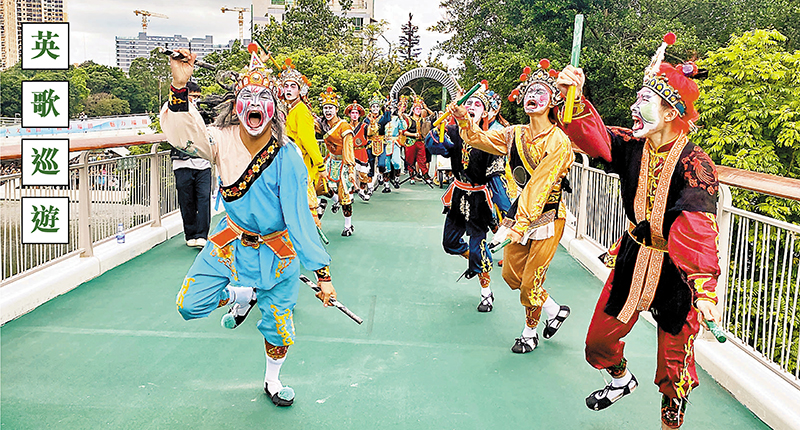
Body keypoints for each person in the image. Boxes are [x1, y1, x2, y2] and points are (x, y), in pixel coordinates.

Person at [555, 33, 721, 429]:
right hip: (633, 257)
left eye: (644, 99)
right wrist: (572, 95)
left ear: (670, 112)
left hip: (677, 272)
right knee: (598, 341)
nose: (634, 105)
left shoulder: (695, 164)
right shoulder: (632, 145)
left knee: (674, 366)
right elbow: (593, 135)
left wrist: (704, 287)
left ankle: (670, 423)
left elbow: (696, 226)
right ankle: (620, 378)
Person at [160, 48, 337, 407]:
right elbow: (186, 134)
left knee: (279, 328)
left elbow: (299, 217)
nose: (255, 104)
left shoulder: (287, 155)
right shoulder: (220, 139)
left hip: (278, 253)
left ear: (275, 107)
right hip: (230, 242)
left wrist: (323, 275)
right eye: (247, 96)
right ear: (236, 104)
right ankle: (241, 295)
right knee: (189, 304)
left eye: (263, 97)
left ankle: (273, 380)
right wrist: (179, 86)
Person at [447, 60, 573, 354]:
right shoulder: (514, 133)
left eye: (541, 92)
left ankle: (530, 333)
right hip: (520, 216)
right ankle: (555, 309)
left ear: (553, 101)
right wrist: (464, 120)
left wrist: (519, 224)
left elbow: (539, 185)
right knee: (511, 276)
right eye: (530, 91)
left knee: (530, 283)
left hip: (547, 217)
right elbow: (479, 139)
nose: (533, 96)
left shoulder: (559, 141)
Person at [426, 87, 508, 313]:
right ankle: (475, 258)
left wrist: (508, 214)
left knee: (478, 246)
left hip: (479, 198)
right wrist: (438, 131)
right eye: (468, 103)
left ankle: (486, 293)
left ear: (485, 113)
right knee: (450, 243)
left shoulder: (490, 139)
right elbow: (436, 147)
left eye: (477, 105)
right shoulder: (453, 130)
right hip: (458, 194)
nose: (471, 107)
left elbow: (496, 179)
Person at [279, 56, 328, 225]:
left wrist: (320, 165)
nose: (289, 89)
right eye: (286, 86)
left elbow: (309, 141)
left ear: (300, 90)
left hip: (301, 163)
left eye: (293, 86)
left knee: (305, 206)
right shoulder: (292, 109)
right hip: (291, 162)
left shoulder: (301, 111)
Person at [171, 80, 212, 248]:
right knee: (186, 200)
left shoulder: (203, 113)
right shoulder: (175, 112)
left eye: (197, 96)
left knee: (204, 199)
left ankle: (202, 235)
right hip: (182, 162)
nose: (195, 99)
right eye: (192, 96)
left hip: (203, 163)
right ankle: (190, 233)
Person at [316, 87, 357, 236]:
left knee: (345, 196)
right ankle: (335, 200)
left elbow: (348, 149)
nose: (328, 111)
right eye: (325, 108)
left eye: (330, 108)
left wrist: (350, 169)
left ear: (336, 109)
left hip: (344, 162)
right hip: (330, 160)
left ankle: (348, 225)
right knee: (321, 187)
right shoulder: (322, 124)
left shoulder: (344, 126)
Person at [362, 92, 392, 193]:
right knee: (370, 166)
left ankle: (382, 176)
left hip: (381, 143)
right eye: (373, 106)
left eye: (377, 106)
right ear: (370, 108)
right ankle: (370, 188)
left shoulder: (382, 118)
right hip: (370, 144)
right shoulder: (366, 119)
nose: (375, 108)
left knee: (382, 164)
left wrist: (387, 107)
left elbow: (388, 118)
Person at [401, 97, 434, 186]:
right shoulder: (408, 120)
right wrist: (413, 134)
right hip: (411, 142)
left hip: (420, 142)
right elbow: (404, 132)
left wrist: (425, 107)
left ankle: (426, 176)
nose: (418, 110)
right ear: (413, 110)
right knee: (410, 160)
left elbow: (433, 116)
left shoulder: (423, 120)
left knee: (422, 159)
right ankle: (412, 176)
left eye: (419, 109)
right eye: (416, 109)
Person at [345, 100, 371, 201]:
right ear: (349, 114)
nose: (354, 115)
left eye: (356, 113)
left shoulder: (365, 126)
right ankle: (350, 195)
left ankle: (362, 191)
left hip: (361, 152)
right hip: (350, 152)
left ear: (359, 115)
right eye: (352, 113)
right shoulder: (346, 126)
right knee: (350, 174)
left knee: (363, 174)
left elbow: (371, 135)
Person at [383, 96, 408, 189]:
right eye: (388, 108)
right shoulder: (383, 118)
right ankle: (386, 185)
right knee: (386, 165)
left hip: (395, 143)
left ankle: (397, 178)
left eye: (392, 108)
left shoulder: (397, 119)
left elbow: (404, 127)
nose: (390, 109)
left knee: (396, 162)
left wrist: (401, 117)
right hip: (385, 143)